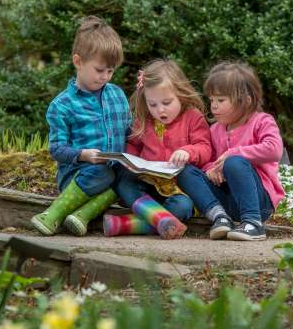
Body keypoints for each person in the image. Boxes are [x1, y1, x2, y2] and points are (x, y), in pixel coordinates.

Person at [31, 16, 131, 236]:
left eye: (111, 71)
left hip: (114, 173)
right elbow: (56, 149)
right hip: (80, 175)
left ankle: (81, 216)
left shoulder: (117, 95)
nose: (105, 76)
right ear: (78, 62)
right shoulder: (62, 105)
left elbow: (129, 133)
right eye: (99, 70)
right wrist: (84, 155)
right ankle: (52, 214)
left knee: (129, 179)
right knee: (102, 172)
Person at [103, 59, 212, 239]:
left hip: (177, 187)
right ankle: (160, 220)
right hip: (147, 183)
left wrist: (188, 151)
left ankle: (126, 224)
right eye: (152, 104)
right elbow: (133, 144)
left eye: (167, 102)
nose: (160, 110)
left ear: (181, 95)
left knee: (183, 207)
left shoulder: (193, 117)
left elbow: (205, 148)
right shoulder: (145, 119)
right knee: (123, 182)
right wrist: (131, 161)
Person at [177, 61, 285, 241]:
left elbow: (274, 150)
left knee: (234, 162)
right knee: (185, 171)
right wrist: (211, 170)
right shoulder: (215, 130)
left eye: (221, 100)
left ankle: (254, 224)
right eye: (211, 100)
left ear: (246, 101)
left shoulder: (262, 121)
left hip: (259, 203)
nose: (214, 106)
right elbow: (207, 160)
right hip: (227, 200)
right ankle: (220, 217)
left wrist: (234, 153)